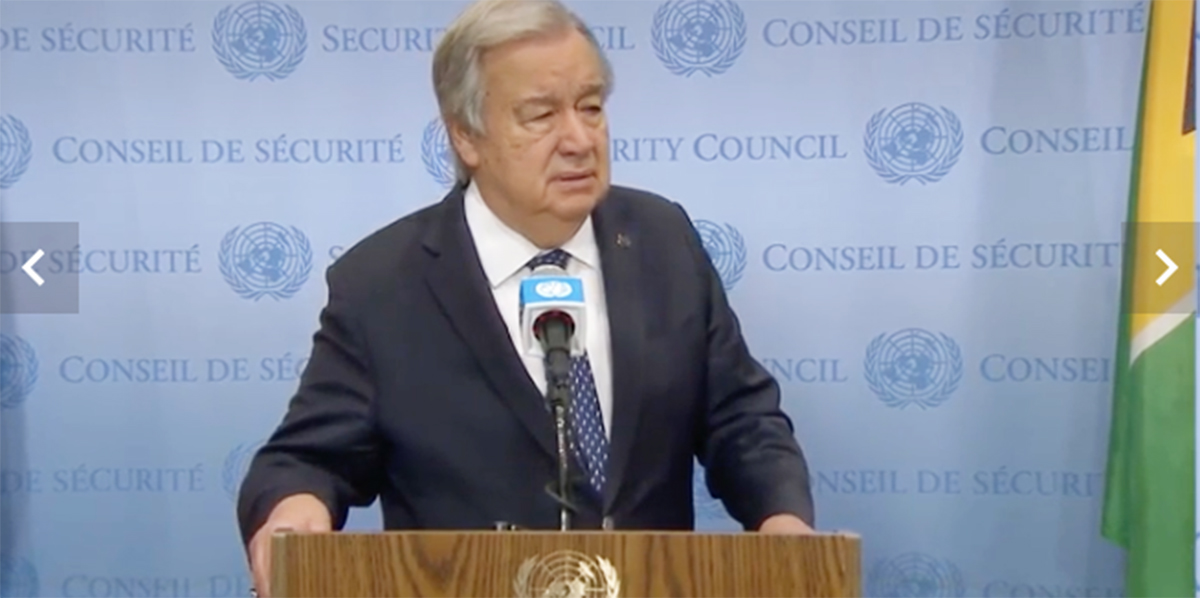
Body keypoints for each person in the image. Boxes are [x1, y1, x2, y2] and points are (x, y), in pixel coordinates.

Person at [236, 0, 815, 594]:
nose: (579, 140)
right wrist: (292, 511)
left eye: (590, 107)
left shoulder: (662, 240)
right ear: (466, 135)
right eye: (540, 115)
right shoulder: (383, 285)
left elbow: (740, 419)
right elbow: (308, 458)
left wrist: (782, 519)